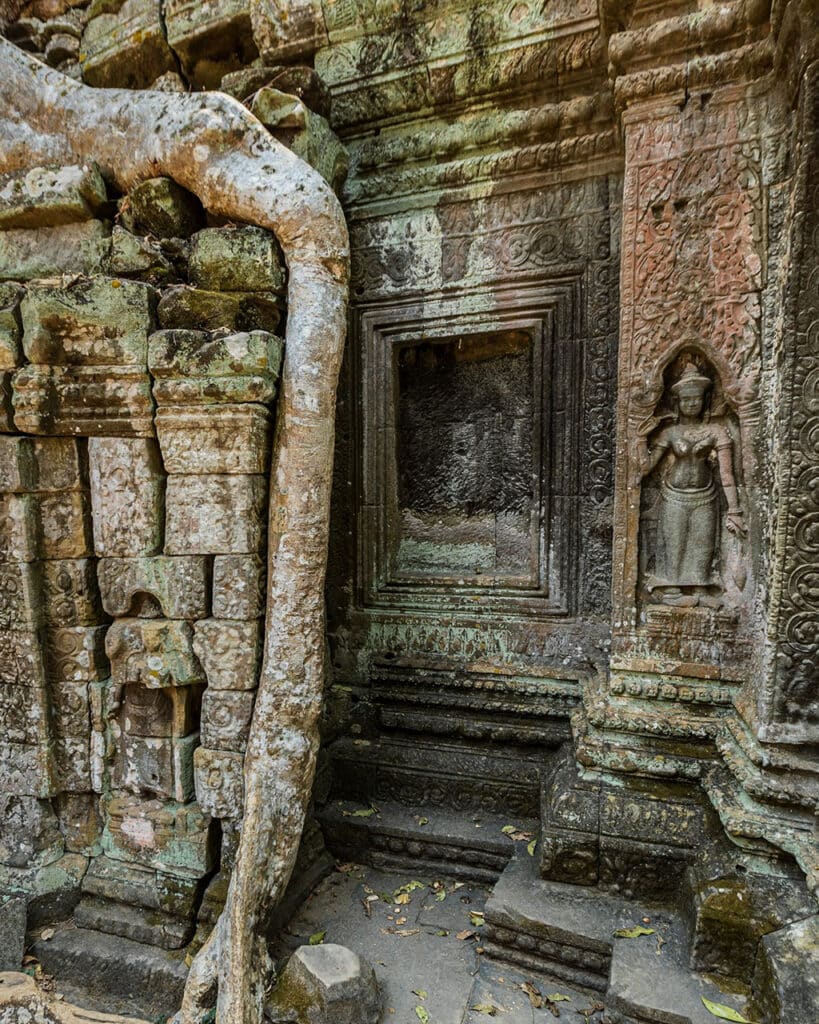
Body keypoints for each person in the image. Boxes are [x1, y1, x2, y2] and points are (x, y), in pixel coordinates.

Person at [640, 362, 745, 607]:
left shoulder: (716, 430)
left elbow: (727, 474)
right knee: (674, 543)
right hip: (673, 495)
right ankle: (672, 591)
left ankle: (701, 588)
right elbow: (645, 468)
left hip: (705, 495)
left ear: (704, 400)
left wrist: (735, 509)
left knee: (703, 542)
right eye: (686, 400)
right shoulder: (670, 433)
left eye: (696, 399)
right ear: (677, 402)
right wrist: (639, 438)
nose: (691, 404)